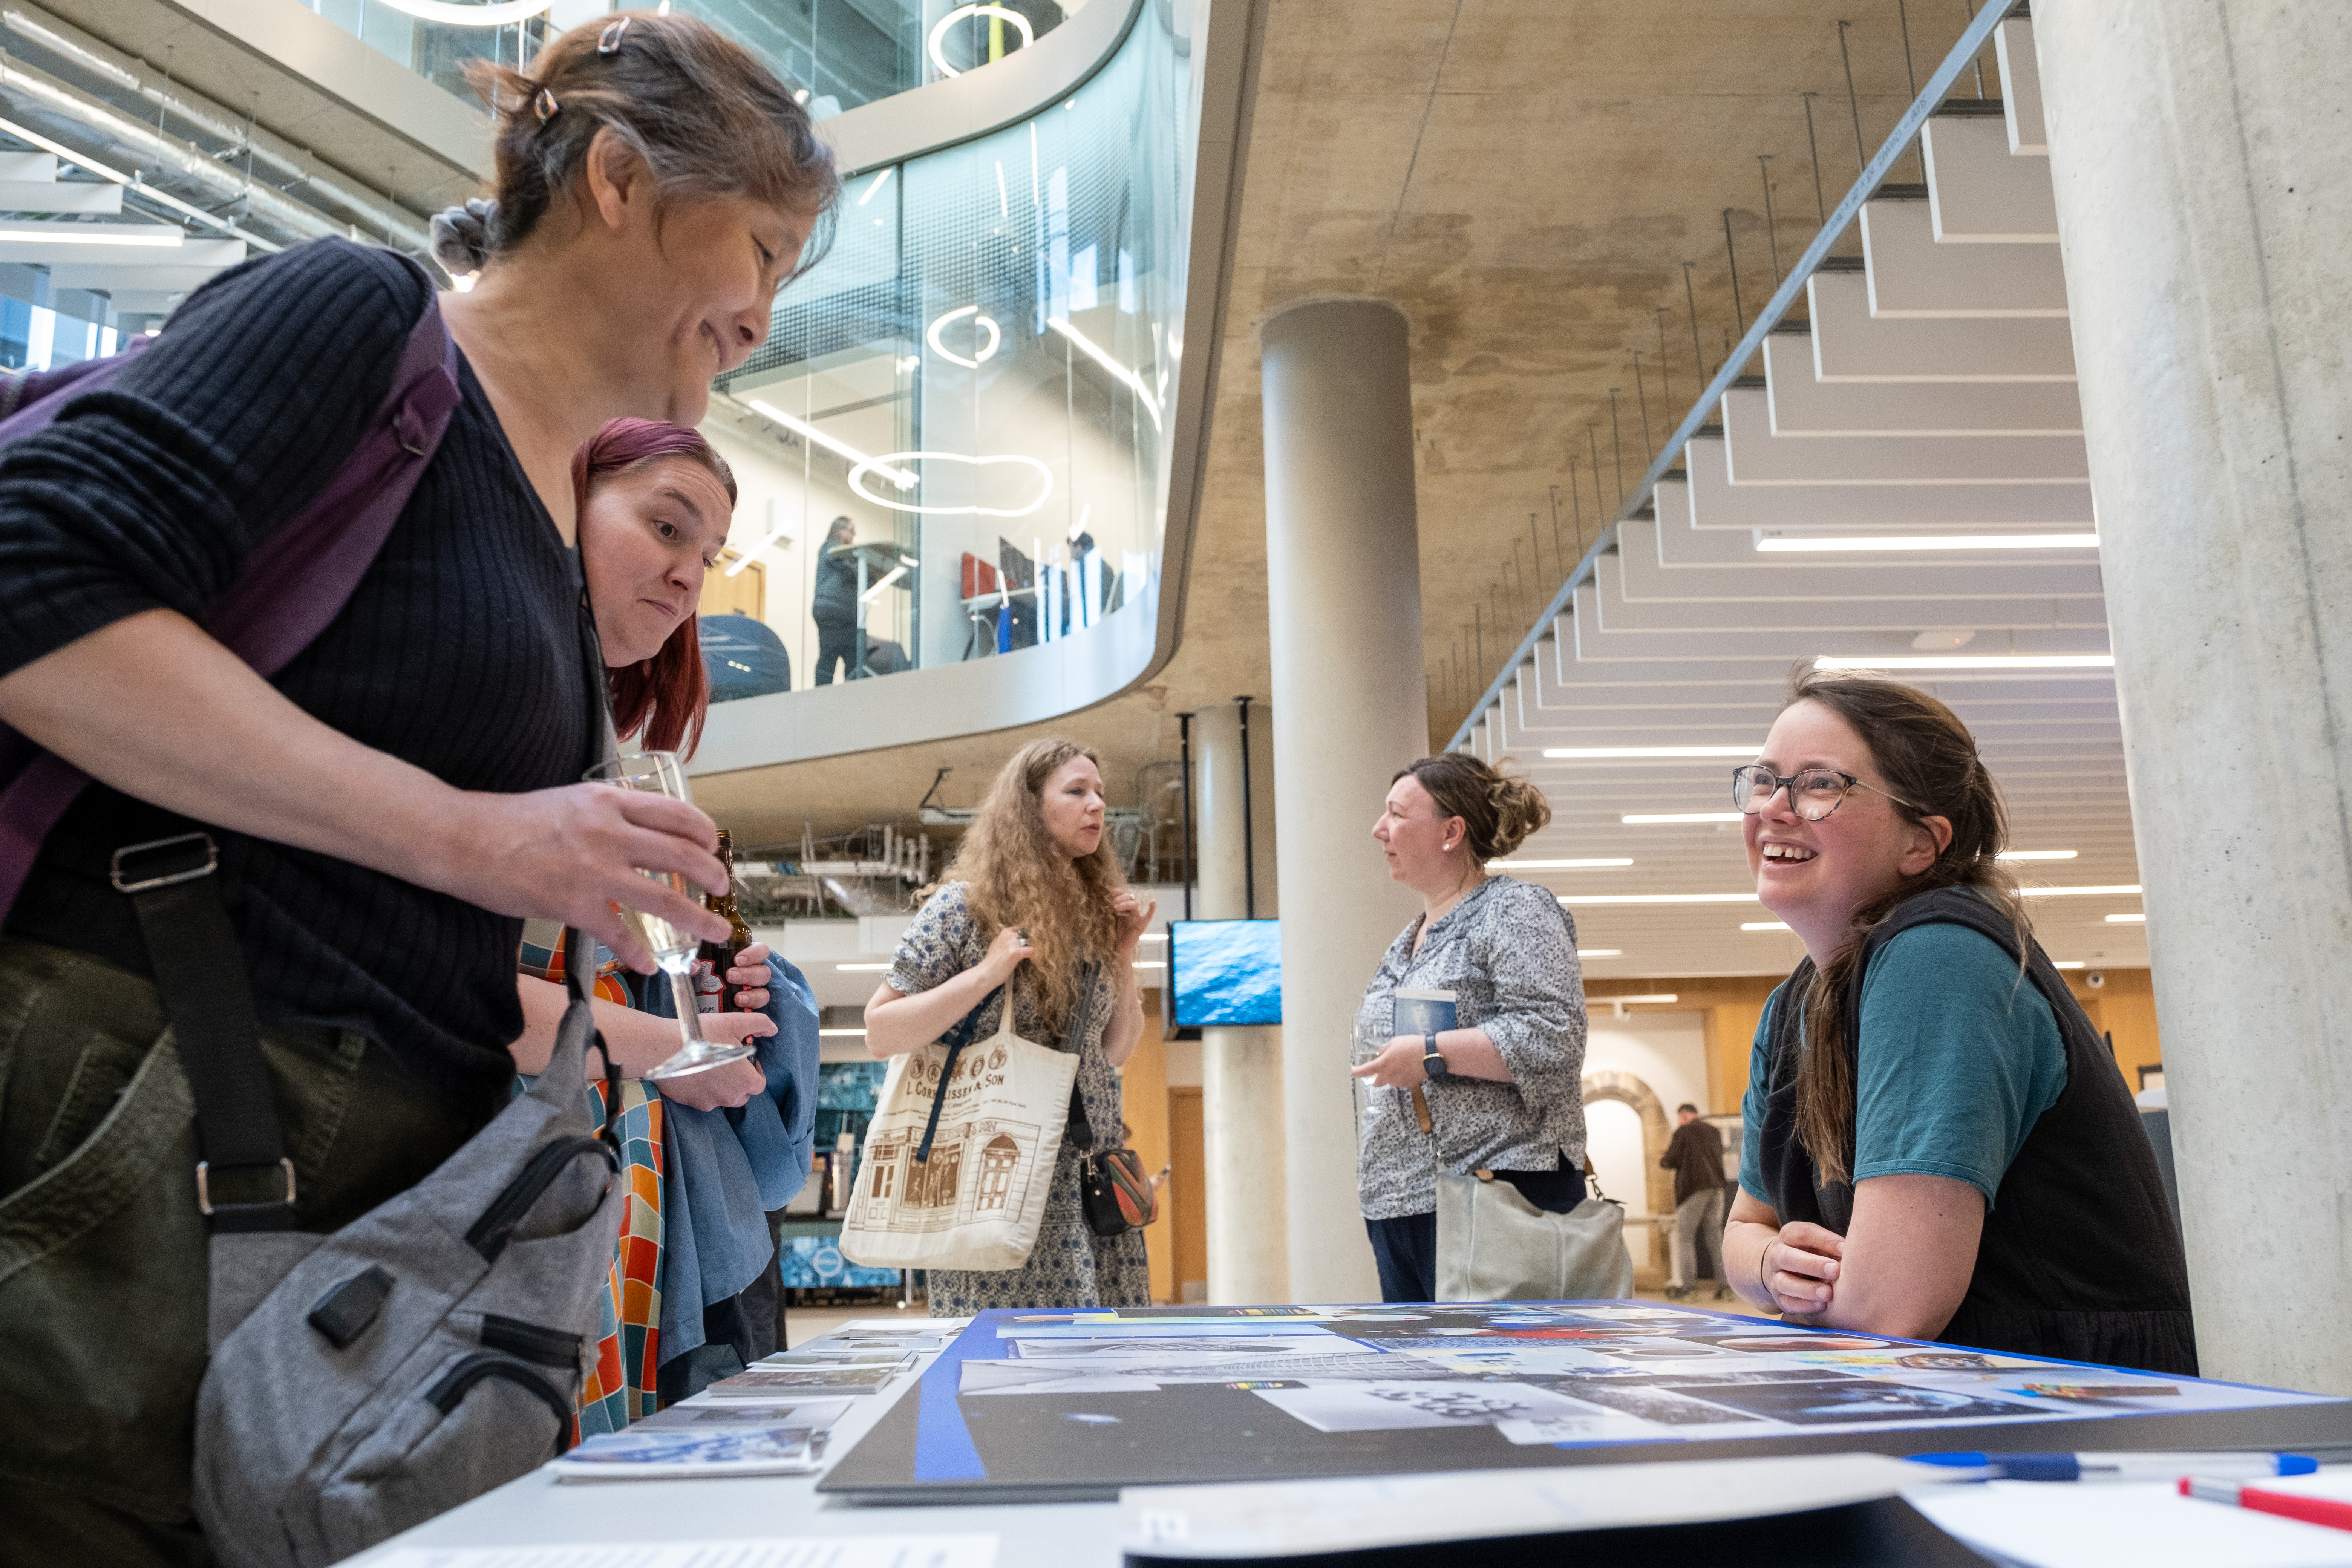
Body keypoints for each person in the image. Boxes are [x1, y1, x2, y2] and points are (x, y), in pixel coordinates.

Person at [0, 15, 836, 1560]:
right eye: (765, 251)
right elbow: (33, 571)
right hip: (162, 1130)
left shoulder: (534, 495)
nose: (765, 315)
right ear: (617, 179)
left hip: (332, 1203)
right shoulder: (368, 321)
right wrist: (476, 834)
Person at [1721, 666, 2195, 1373]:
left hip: (2079, 1408)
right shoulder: (1796, 1001)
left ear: (1923, 843)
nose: (1775, 809)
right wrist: (1771, 1264)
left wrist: (1777, 1277)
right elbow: (1742, 1234)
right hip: (1965, 1390)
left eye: (1821, 784)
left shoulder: (1937, 957)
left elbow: (1892, 1308)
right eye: (1765, 779)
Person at [504, 417, 819, 1423]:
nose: (691, 575)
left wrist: (723, 997)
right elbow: (415, 968)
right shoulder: (485, 701)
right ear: (567, 503)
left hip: (618, 1163)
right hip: (509, 1162)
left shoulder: (599, 738)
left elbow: (654, 965)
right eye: (668, 527)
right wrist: (666, 1040)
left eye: (710, 555)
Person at [862, 738, 1155, 1313]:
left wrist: (1123, 954)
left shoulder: (1096, 917)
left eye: (1100, 793)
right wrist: (986, 974)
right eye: (1076, 791)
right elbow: (881, 1030)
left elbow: (1113, 1052)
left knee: (1107, 1371)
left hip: (1092, 1184)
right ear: (1029, 807)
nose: (1097, 805)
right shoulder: (961, 910)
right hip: (993, 1188)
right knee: (1001, 1374)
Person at [1349, 754, 1588, 1303]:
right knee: (1424, 1384)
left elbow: (1554, 1037)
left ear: (1452, 831)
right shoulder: (1408, 940)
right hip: (1401, 1202)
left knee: (1503, 1379)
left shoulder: (1514, 910)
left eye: (1396, 814)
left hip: (1497, 1195)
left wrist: (1433, 1054)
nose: (1378, 829)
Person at [1659, 1103, 1729, 1301]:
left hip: (1693, 1190)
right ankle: (1726, 1288)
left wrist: (1663, 1158)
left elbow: (1669, 1161)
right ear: (1697, 1115)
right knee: (1716, 1238)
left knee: (1686, 1239)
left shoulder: (1683, 1132)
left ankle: (1689, 1289)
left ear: (1684, 1116)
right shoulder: (1714, 1131)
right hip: (1717, 1189)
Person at [812, 515, 860, 683]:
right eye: (852, 530)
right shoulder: (832, 549)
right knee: (834, 657)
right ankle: (825, 699)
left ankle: (824, 698)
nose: (855, 534)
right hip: (834, 611)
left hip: (837, 612)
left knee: (835, 656)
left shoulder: (837, 553)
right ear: (840, 530)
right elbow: (849, 569)